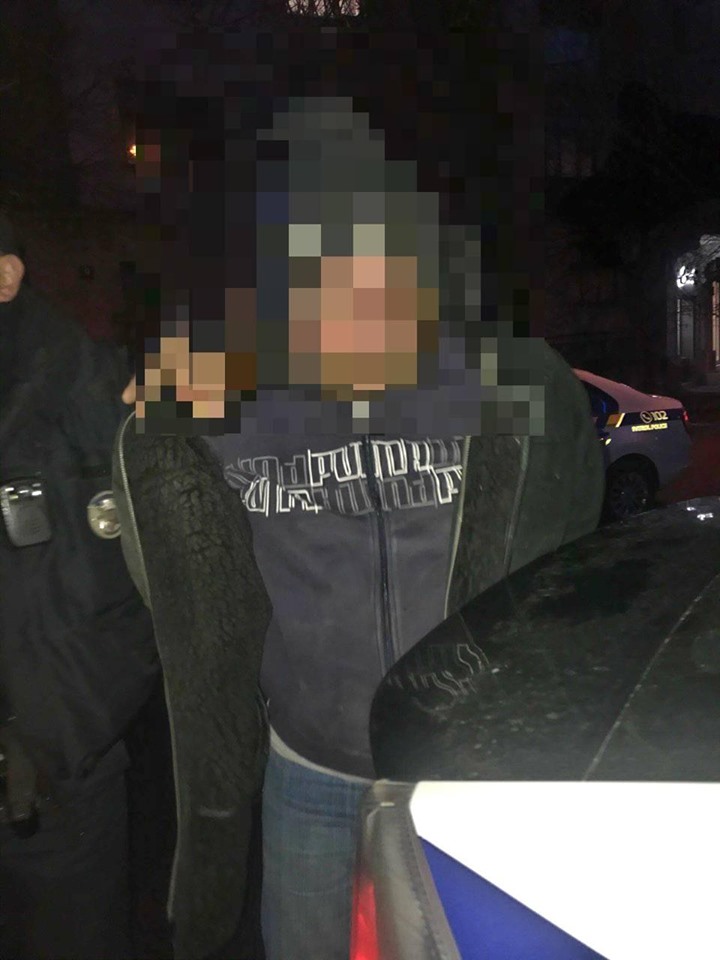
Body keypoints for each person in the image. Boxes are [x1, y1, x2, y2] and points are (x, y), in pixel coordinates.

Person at [116, 26, 606, 960]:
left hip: (458, 769)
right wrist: (150, 429)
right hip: (307, 769)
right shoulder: (213, 398)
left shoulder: (502, 386)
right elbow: (178, 575)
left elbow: (568, 566)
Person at [0, 213, 158, 960]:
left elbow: (171, 563)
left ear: (6, 274)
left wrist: (72, 732)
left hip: (59, 785)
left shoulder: (92, 389)